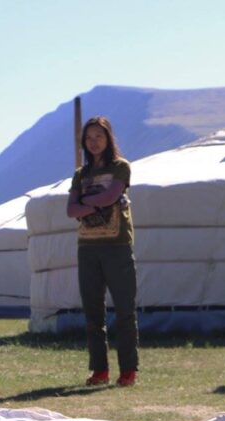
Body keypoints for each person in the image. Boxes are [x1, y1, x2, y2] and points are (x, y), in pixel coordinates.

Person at [66, 116, 138, 387]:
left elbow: (110, 196)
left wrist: (87, 201)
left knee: (124, 311)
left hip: (117, 246)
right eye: (89, 137)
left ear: (108, 138)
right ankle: (99, 370)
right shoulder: (80, 174)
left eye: (99, 136)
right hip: (88, 248)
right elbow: (70, 210)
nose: (94, 142)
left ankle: (128, 370)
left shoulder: (120, 167)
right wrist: (97, 203)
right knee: (93, 313)